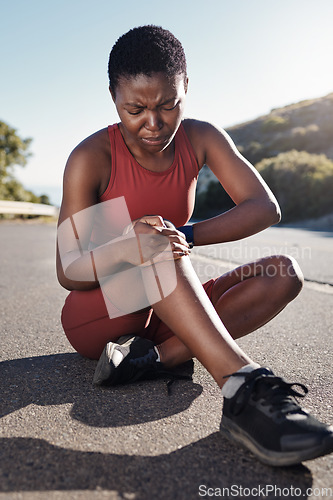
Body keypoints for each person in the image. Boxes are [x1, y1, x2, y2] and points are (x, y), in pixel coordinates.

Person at [56, 25, 333, 467]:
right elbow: (68, 269)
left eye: (169, 104)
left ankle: (153, 360)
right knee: (153, 242)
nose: (154, 123)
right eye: (135, 109)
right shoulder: (94, 157)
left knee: (284, 274)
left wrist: (187, 235)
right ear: (113, 98)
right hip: (102, 314)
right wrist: (132, 245)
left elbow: (264, 207)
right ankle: (243, 390)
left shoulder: (200, 137)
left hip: (169, 308)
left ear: (186, 88)